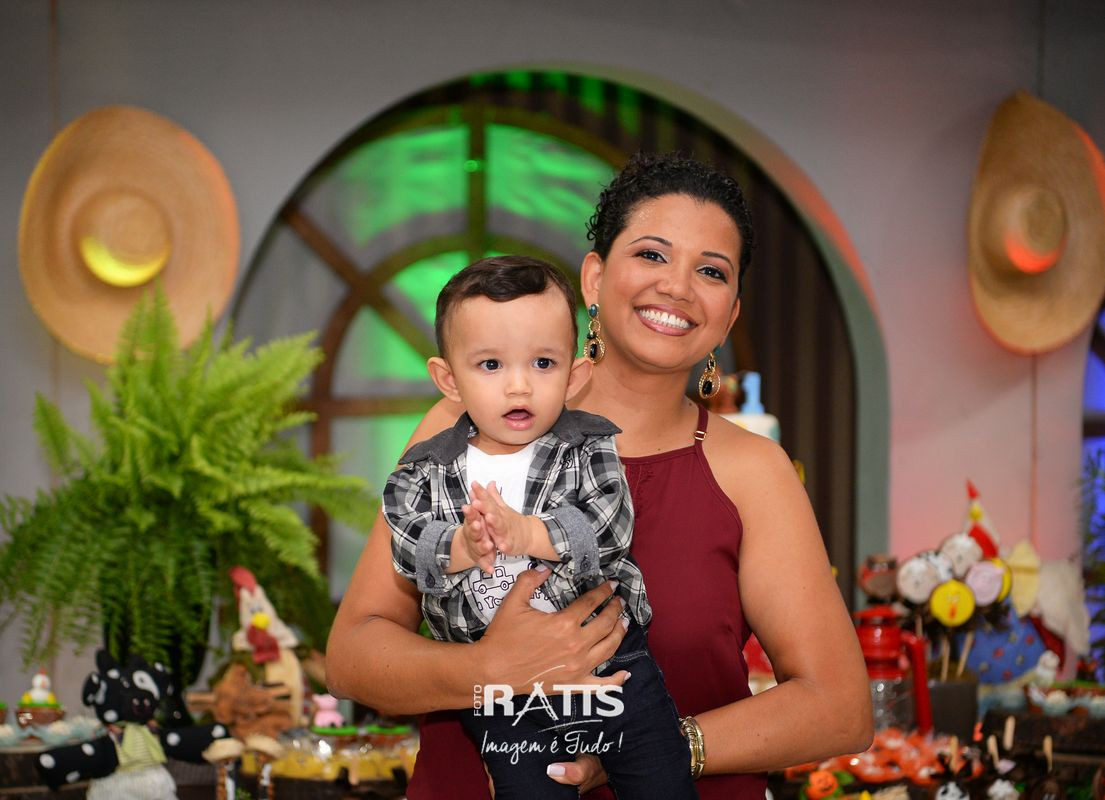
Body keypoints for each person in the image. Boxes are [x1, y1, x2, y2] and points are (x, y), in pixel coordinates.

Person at [327, 152, 873, 799]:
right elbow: (353, 657)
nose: (677, 286)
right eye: (651, 254)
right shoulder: (462, 427)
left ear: (729, 315)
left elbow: (838, 706)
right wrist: (487, 668)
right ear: (593, 277)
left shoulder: (752, 471)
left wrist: (655, 748)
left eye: (710, 271)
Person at [381, 256, 697, 799]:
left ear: (575, 376)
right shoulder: (423, 469)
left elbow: (609, 529)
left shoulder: (589, 448)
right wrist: (461, 544)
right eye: (490, 364)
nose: (519, 386)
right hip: (504, 694)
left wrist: (526, 534)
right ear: (448, 379)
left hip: (610, 663)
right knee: (529, 790)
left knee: (660, 780)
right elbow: (406, 543)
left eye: (543, 363)